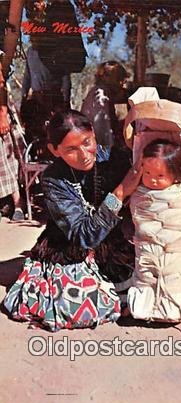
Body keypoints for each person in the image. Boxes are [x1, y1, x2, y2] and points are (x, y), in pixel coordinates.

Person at [4, 110, 142, 331]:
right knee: (77, 306)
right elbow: (83, 236)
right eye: (71, 149)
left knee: (146, 279)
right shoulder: (53, 179)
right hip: (69, 250)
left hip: (110, 247)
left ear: (94, 135)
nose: (84, 154)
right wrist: (119, 193)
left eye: (87, 142)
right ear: (54, 150)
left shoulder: (111, 159)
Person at [127, 139, 181, 323]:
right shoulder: (140, 193)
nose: (152, 179)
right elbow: (139, 220)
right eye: (147, 172)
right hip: (147, 247)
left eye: (160, 175)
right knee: (147, 268)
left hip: (173, 248)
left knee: (172, 270)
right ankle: (144, 305)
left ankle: (171, 306)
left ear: (176, 176)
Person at [20, 34, 71, 160]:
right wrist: (23, 96)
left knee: (55, 130)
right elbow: (27, 75)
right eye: (32, 38)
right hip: (37, 97)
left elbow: (65, 77)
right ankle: (39, 160)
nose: (34, 40)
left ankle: (56, 162)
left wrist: (65, 100)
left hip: (54, 97)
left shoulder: (56, 51)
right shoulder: (31, 52)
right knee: (36, 130)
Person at [81, 60, 130, 162]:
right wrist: (106, 153)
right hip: (98, 148)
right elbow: (101, 128)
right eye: (118, 79)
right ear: (106, 77)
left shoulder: (101, 92)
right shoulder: (100, 93)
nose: (121, 83)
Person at [0, 50, 24, 221]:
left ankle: (18, 205)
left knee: (7, 161)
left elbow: (0, 86)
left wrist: (2, 115)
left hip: (1, 115)